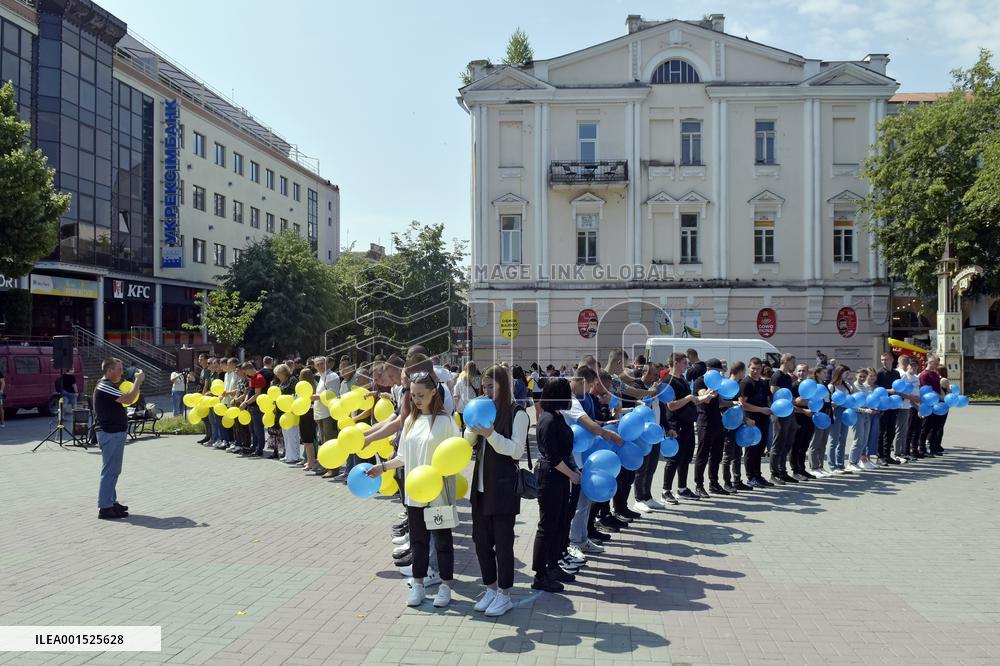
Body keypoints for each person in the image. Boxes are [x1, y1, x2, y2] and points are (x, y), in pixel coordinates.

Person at [365, 368, 459, 608]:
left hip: (439, 494)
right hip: (415, 493)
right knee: (418, 541)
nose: (416, 400)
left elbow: (456, 455)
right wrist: (382, 467)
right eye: (413, 395)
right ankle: (418, 585)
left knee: (442, 541)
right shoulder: (409, 421)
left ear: (433, 393)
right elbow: (403, 457)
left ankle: (445, 586)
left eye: (421, 395)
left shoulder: (446, 421)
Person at [464, 365, 528, 617]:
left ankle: (504, 594)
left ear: (504, 385)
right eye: (484, 386)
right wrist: (470, 431)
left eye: (492, 386)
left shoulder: (517, 413)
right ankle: (490, 588)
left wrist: (490, 434)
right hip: (480, 488)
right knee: (481, 542)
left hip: (503, 489)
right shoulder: (482, 408)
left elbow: (516, 451)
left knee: (503, 544)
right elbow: (467, 444)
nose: (487, 391)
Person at [531, 378, 581, 593]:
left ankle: (552, 566)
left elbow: (563, 452)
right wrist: (573, 475)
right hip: (550, 478)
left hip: (559, 478)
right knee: (547, 526)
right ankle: (540, 575)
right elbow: (553, 457)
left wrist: (573, 471)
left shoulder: (556, 416)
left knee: (558, 523)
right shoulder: (548, 420)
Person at [93, 358, 143, 520]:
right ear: (109, 371)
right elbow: (129, 399)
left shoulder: (108, 385)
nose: (122, 372)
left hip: (113, 433)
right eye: (119, 369)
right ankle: (105, 507)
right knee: (110, 471)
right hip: (110, 433)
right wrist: (138, 381)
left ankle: (111, 501)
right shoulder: (105, 386)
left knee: (113, 470)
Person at [661, 352, 712, 503]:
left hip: (688, 423)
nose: (687, 366)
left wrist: (705, 397)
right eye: (684, 363)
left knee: (686, 458)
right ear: (675, 363)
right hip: (676, 424)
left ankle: (682, 489)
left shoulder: (682, 379)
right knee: (674, 458)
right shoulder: (669, 381)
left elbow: (692, 400)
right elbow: (671, 405)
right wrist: (688, 398)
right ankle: (666, 491)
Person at [692, 358, 726, 497]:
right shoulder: (700, 381)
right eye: (716, 371)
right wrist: (711, 390)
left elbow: (721, 401)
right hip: (704, 421)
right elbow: (703, 396)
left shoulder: (719, 383)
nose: (718, 374)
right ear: (709, 370)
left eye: (719, 372)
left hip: (717, 420)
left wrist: (733, 403)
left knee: (717, 455)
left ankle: (714, 483)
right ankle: (699, 485)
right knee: (703, 455)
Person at [739, 357, 773, 488]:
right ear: (749, 367)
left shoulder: (763, 383)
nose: (755, 371)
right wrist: (761, 410)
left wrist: (770, 409)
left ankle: (758, 475)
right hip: (751, 420)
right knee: (751, 449)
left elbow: (767, 401)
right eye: (753, 368)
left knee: (760, 449)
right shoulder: (745, 383)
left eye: (758, 369)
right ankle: (751, 477)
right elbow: (743, 404)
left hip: (764, 419)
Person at [768, 353, 799, 485]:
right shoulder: (777, 375)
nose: (794, 365)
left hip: (789, 411)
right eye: (793, 362)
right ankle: (774, 473)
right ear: (785, 361)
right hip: (780, 413)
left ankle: (782, 471)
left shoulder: (787, 376)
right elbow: (774, 392)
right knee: (778, 442)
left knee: (787, 441)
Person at [721, 362, 750, 493]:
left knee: (738, 453)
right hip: (729, 423)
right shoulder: (727, 385)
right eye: (744, 371)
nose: (744, 374)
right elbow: (721, 404)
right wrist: (732, 404)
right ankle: (727, 482)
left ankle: (737, 481)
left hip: (737, 422)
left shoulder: (738, 385)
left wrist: (744, 420)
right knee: (728, 454)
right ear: (740, 371)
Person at [826, 365, 855, 474]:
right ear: (840, 373)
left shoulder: (847, 386)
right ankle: (832, 466)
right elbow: (827, 402)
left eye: (849, 373)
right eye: (846, 373)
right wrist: (833, 404)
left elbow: (852, 398)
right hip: (835, 413)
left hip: (846, 413)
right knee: (833, 440)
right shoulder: (831, 386)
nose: (848, 375)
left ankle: (841, 464)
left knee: (843, 440)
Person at [789, 363, 815, 481]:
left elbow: (816, 401)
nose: (801, 373)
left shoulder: (812, 386)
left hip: (810, 419)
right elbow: (792, 404)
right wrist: (804, 409)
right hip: (798, 419)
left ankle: (802, 468)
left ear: (807, 372)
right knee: (796, 445)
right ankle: (795, 470)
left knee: (804, 445)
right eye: (799, 371)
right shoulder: (794, 386)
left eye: (803, 371)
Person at [848, 368, 876, 471]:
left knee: (864, 441)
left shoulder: (865, 387)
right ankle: (851, 462)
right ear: (856, 375)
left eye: (864, 376)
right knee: (858, 440)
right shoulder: (853, 387)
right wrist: (864, 410)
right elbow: (852, 404)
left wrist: (873, 408)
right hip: (857, 414)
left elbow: (868, 401)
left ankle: (857, 461)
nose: (862, 378)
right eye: (860, 376)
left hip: (866, 414)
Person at [876, 352, 901, 466]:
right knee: (882, 432)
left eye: (886, 359)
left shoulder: (896, 373)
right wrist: (889, 391)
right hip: (883, 406)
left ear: (892, 360)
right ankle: (880, 456)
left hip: (894, 405)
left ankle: (887, 455)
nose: (884, 362)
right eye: (882, 360)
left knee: (891, 431)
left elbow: (899, 387)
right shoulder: (880, 373)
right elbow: (876, 389)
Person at [807, 365, 832, 477]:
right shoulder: (813, 385)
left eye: (826, 372)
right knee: (816, 441)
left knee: (823, 442)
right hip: (818, 415)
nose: (826, 375)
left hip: (827, 414)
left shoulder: (825, 384)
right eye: (823, 372)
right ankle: (814, 467)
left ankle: (820, 466)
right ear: (817, 374)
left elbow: (828, 399)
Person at [918, 354, 945, 457]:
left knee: (935, 427)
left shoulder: (935, 374)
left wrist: (943, 396)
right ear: (929, 362)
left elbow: (938, 387)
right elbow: (926, 390)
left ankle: (933, 449)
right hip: (928, 404)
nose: (937, 364)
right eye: (935, 362)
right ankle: (922, 448)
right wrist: (939, 396)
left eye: (938, 362)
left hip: (936, 403)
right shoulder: (924, 374)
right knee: (925, 427)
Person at [274, 364, 301, 464]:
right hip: (282, 412)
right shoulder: (281, 382)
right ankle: (288, 455)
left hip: (291, 412)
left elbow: (295, 395)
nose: (277, 376)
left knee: (292, 435)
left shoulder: (293, 380)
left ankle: (294, 457)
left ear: (284, 373)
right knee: (286, 435)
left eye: (278, 374)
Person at [895, 355, 919, 462]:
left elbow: (916, 392)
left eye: (915, 366)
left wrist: (917, 404)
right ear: (908, 365)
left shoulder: (916, 378)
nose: (914, 368)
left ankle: (904, 452)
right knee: (901, 430)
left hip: (909, 405)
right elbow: (899, 391)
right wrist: (911, 398)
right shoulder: (904, 376)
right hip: (902, 405)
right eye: (912, 365)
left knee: (905, 430)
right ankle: (898, 453)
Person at [297, 368, 318, 470]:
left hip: (305, 414)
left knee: (307, 440)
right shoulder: (315, 385)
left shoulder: (302, 387)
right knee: (310, 439)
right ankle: (310, 461)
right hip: (312, 413)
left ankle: (310, 462)